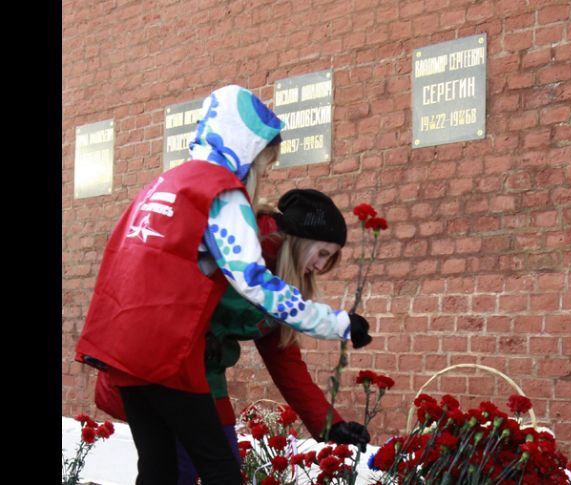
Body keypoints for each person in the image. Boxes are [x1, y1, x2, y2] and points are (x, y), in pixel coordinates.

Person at [74, 85, 372, 485]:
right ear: (246, 152)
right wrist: (340, 324)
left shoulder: (170, 182)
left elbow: (122, 259)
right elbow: (254, 283)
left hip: (124, 350)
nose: (321, 267)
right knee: (217, 472)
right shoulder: (223, 197)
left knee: (161, 471)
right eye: (263, 166)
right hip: (169, 359)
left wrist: (328, 426)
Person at [176, 188, 372, 484]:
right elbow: (182, 271)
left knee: (221, 471)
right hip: (172, 366)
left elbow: (285, 361)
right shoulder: (245, 240)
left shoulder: (282, 289)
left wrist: (329, 425)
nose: (320, 266)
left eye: (328, 259)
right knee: (181, 471)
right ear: (300, 239)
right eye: (321, 253)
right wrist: (200, 329)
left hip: (208, 377)